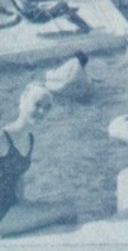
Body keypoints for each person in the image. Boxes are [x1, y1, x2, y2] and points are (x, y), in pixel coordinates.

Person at [0, 82, 78, 237]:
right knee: (69, 209)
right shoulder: (3, 138)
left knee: (62, 203)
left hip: (11, 207)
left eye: (47, 107)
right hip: (2, 215)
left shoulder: (29, 139)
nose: (42, 111)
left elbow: (18, 178)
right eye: (37, 104)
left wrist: (24, 204)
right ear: (23, 100)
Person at [12, 0, 91, 33]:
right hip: (41, 16)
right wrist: (38, 7)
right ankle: (85, 27)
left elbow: (27, 9)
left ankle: (83, 25)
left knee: (66, 10)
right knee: (63, 4)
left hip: (39, 15)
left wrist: (38, 5)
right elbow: (29, 10)